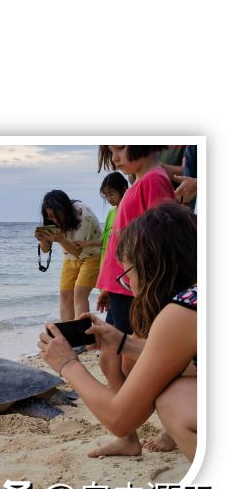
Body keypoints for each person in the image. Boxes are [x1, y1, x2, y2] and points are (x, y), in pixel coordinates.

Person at [39, 203, 196, 461]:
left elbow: (119, 418)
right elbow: (195, 364)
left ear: (151, 268)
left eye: (127, 275)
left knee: (175, 402)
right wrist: (123, 343)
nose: (130, 286)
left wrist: (67, 364)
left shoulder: (182, 311)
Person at [88, 145, 176, 456]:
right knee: (113, 358)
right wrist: (108, 286)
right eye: (110, 151)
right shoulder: (140, 181)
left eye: (120, 148)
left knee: (135, 359)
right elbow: (120, 241)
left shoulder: (153, 181)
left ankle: (166, 427)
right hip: (121, 288)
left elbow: (166, 239)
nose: (114, 157)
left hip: (138, 291)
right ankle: (128, 435)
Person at [36, 190, 102, 322]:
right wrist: (42, 239)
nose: (54, 220)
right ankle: (67, 335)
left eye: (56, 215)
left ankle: (82, 335)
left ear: (65, 209)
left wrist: (60, 239)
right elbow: (45, 250)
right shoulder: (51, 219)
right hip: (69, 257)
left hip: (92, 255)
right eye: (50, 216)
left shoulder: (83, 216)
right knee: (65, 294)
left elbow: (77, 251)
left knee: (79, 294)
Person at [96, 172, 128, 275]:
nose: (109, 198)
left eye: (111, 194)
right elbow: (105, 240)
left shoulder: (128, 211)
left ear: (123, 190)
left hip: (121, 267)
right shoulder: (111, 213)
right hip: (106, 264)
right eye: (106, 195)